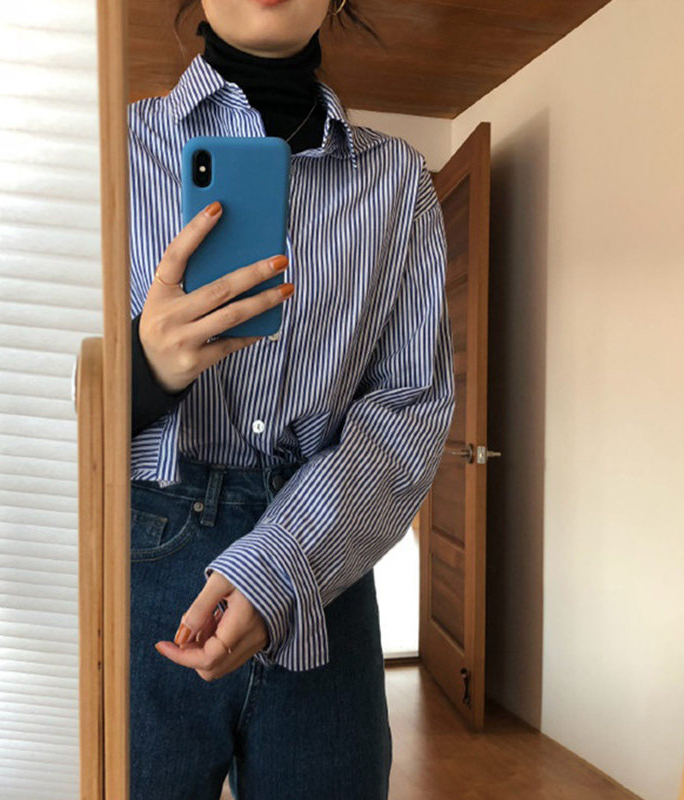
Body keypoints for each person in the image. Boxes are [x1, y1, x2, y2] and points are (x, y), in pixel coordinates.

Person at [128, 2, 456, 799]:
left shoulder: (399, 182)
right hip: (139, 552)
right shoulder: (111, 150)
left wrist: (282, 564)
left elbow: (410, 405)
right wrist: (143, 370)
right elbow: (26, 392)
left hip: (325, 555)